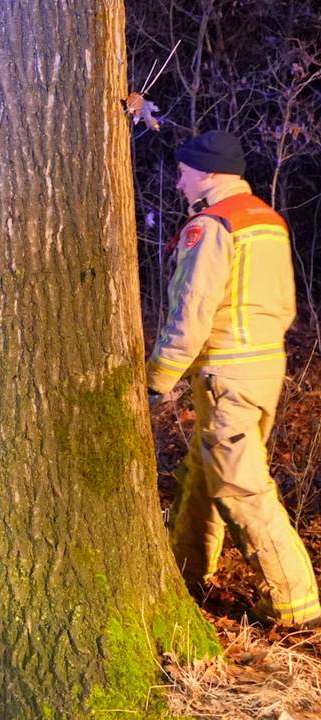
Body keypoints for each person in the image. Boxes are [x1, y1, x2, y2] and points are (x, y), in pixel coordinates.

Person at [150, 129, 320, 628]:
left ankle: (295, 606)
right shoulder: (266, 220)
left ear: (208, 173)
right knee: (203, 472)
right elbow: (282, 304)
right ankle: (185, 571)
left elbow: (192, 312)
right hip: (263, 367)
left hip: (226, 372)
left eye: (184, 173)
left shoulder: (213, 225)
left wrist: (157, 379)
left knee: (240, 487)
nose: (179, 182)